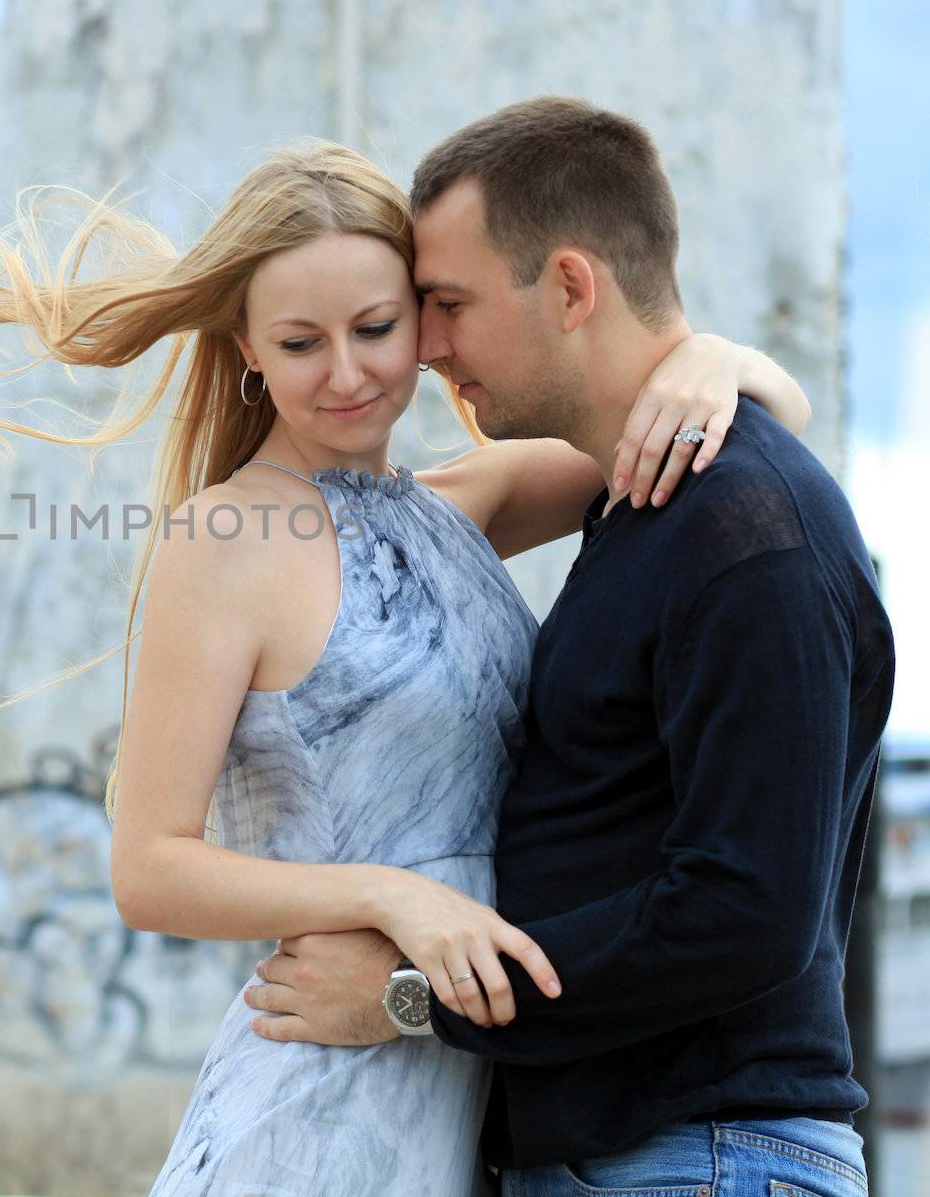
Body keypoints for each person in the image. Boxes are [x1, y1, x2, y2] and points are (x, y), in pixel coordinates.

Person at [0, 137, 813, 1196]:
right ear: (244, 347)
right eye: (298, 342)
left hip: (462, 1083)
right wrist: (393, 898)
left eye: (375, 328)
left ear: (425, 322)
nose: (344, 373)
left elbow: (738, 430)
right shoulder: (222, 539)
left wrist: (710, 360)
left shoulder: (462, 505)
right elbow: (147, 866)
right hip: (316, 1105)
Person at [246, 98, 895, 1196]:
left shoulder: (748, 536)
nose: (428, 346)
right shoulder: (651, 497)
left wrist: (409, 998)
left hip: (701, 1161)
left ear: (569, 287)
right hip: (627, 1161)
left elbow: (744, 916)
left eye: (445, 303)